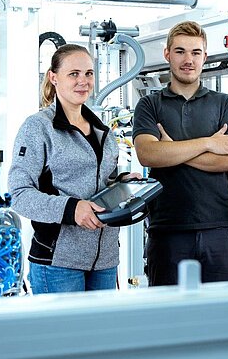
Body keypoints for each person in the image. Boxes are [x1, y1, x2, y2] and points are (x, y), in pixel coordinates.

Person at [9, 43, 139, 294]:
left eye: (89, 74)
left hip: (105, 262)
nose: (83, 81)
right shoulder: (39, 128)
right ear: (53, 78)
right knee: (63, 335)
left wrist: (122, 183)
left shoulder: (103, 130)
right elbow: (20, 195)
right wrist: (72, 208)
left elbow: (102, 182)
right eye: (74, 74)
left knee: (102, 334)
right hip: (58, 263)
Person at [132, 20, 228, 289]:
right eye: (181, 51)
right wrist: (209, 142)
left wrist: (172, 148)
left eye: (196, 53)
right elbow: (148, 154)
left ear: (205, 57)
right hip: (168, 230)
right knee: (170, 320)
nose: (188, 60)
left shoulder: (224, 103)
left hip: (220, 227)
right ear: (167, 54)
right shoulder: (149, 105)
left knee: (223, 319)